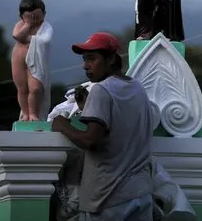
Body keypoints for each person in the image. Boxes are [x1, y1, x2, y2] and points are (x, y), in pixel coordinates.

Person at [51, 32, 155, 221]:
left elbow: (90, 140)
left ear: (111, 59)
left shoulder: (101, 89)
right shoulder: (137, 89)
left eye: (92, 59)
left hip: (108, 198)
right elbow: (121, 123)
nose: (85, 65)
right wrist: (87, 108)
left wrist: (62, 125)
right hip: (141, 193)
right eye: (84, 59)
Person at [11, 0, 53, 121]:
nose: (34, 19)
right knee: (22, 88)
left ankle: (34, 113)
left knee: (35, 88)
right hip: (18, 57)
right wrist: (27, 25)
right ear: (22, 16)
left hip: (36, 59)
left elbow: (45, 40)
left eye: (37, 16)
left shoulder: (46, 27)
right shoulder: (20, 25)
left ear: (44, 14)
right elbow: (17, 36)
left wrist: (29, 38)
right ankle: (25, 113)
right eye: (29, 16)